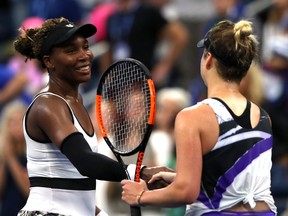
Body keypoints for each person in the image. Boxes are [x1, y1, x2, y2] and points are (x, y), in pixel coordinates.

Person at [13, 17, 169, 216]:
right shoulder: (47, 105)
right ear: (49, 61)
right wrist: (142, 171)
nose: (84, 55)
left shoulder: (75, 101)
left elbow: (77, 190)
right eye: (71, 50)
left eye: (85, 47)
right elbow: (85, 162)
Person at [121, 19, 278, 215]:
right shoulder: (264, 117)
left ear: (209, 59)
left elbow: (186, 192)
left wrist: (140, 196)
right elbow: (237, 182)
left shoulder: (192, 117)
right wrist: (183, 176)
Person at [100, 0, 189, 89]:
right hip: (120, 78)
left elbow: (180, 36)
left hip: (143, 76)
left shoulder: (148, 12)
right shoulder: (113, 17)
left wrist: (165, 66)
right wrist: (107, 73)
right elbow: (108, 47)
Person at [0, 100, 29, 216]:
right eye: (11, 122)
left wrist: (11, 159)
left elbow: (28, 190)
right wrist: (4, 156)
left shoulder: (31, 154)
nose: (14, 127)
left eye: (19, 121)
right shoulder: (4, 154)